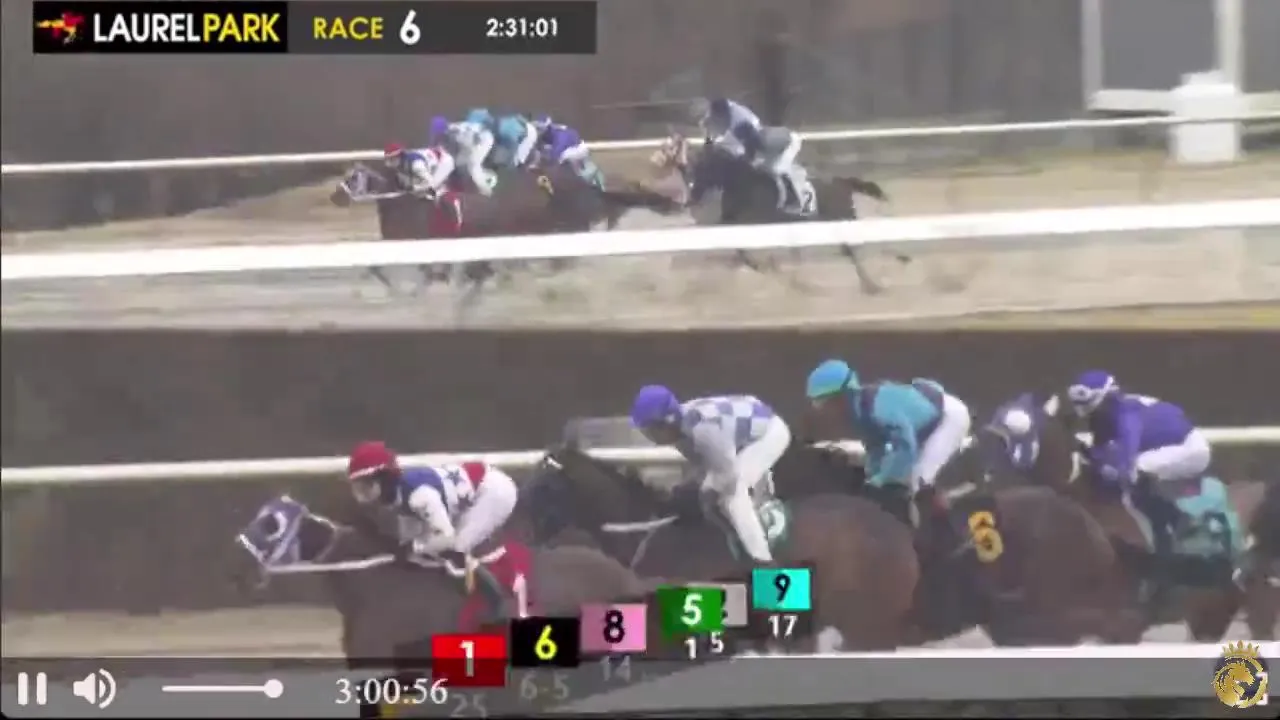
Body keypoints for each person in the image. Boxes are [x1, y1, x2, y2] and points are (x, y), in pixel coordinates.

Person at [1066, 370, 1205, 599]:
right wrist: (1088, 453)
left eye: (1091, 406)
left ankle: (1177, 524)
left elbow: (1124, 466)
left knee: (1134, 476)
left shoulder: (1126, 416)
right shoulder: (1104, 415)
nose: (1087, 413)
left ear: (1106, 397)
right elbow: (1101, 455)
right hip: (1162, 446)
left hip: (1190, 449)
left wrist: (1096, 460)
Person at [345, 440, 520, 616]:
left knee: (457, 549)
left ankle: (498, 606)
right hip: (475, 489)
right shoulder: (399, 496)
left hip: (494, 493)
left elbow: (446, 538)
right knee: (430, 551)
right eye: (358, 489)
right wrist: (409, 549)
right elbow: (410, 539)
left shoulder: (419, 497)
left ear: (384, 479)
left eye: (366, 488)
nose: (362, 497)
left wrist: (414, 548)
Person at [629, 385, 791, 566]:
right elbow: (705, 467)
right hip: (743, 432)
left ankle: (763, 560)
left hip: (769, 434)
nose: (648, 436)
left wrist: (704, 491)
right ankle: (737, 539)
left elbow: (728, 475)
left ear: (666, 423)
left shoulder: (704, 431)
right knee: (710, 499)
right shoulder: (680, 432)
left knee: (734, 495)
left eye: (649, 430)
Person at [805, 359, 972, 528]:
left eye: (823, 403)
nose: (821, 411)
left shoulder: (878, 409)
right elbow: (875, 449)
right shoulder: (858, 414)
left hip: (949, 418)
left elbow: (906, 447)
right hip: (924, 420)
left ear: (842, 397)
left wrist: (882, 480)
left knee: (918, 480)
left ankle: (946, 530)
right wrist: (873, 479)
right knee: (900, 480)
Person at [701, 97, 808, 213]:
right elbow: (713, 138)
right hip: (763, 140)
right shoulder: (722, 113)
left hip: (786, 145)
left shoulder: (741, 123)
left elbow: (749, 151)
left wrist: (748, 163)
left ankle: (798, 201)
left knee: (774, 170)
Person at [534, 115, 602, 187]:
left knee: (561, 159)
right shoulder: (551, 132)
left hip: (575, 149)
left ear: (547, 127)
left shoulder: (559, 136)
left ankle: (578, 181)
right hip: (576, 148)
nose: (538, 131)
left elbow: (555, 154)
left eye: (539, 129)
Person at [442, 112, 497, 196]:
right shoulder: (456, 128)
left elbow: (469, 144)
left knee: (473, 165)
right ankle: (465, 181)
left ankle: (485, 190)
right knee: (460, 162)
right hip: (475, 140)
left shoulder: (456, 133)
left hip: (484, 141)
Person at [383, 140, 454, 197]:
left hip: (444, 162)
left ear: (399, 157)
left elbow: (430, 183)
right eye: (388, 159)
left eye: (391, 159)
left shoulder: (416, 165)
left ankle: (445, 194)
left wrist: (415, 188)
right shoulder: (402, 161)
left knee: (431, 189)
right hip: (431, 161)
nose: (389, 163)